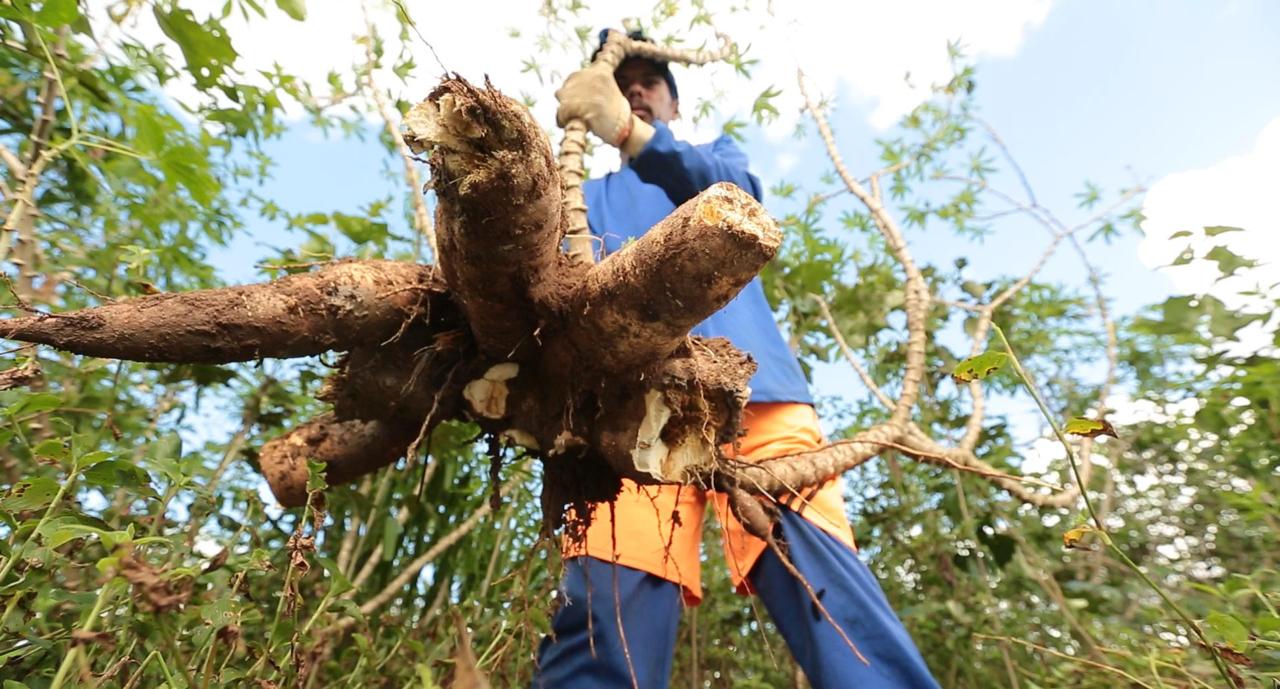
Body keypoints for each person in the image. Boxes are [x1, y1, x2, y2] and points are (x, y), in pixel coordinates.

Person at [532, 29, 942, 689]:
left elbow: (737, 194)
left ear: (671, 102)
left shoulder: (708, 160)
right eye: (623, 81)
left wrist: (630, 134)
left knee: (829, 597)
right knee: (608, 617)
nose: (637, 88)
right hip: (623, 413)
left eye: (651, 82)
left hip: (759, 394)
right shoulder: (585, 197)